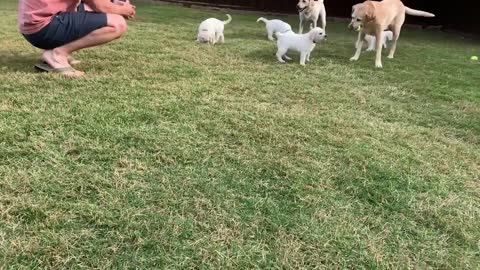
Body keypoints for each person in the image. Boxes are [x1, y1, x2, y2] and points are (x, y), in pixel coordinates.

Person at [18, 0, 136, 77]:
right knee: (117, 24)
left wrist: (114, 4)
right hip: (43, 27)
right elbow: (101, 6)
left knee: (91, 11)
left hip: (32, 28)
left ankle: (52, 52)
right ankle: (57, 54)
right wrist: (125, 10)